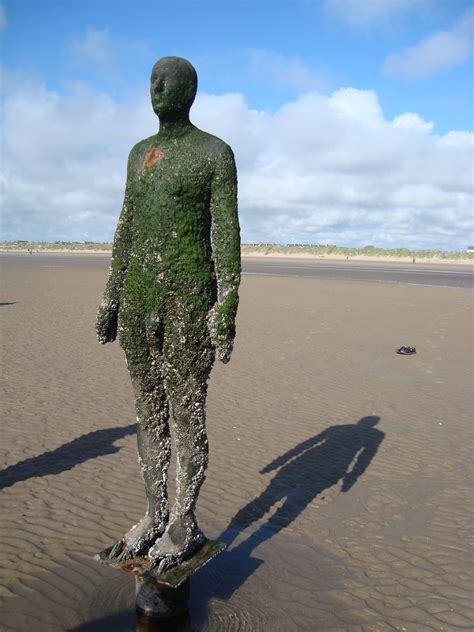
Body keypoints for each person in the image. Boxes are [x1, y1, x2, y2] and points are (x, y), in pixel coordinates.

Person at [96, 56, 240, 573]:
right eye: (152, 80)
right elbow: (126, 225)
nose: (158, 87)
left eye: (168, 80)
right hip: (139, 300)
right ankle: (155, 512)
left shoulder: (214, 153)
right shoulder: (139, 155)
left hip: (188, 301)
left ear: (190, 90)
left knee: (186, 411)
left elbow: (225, 232)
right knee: (147, 409)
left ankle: (185, 518)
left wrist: (228, 303)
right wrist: (111, 295)